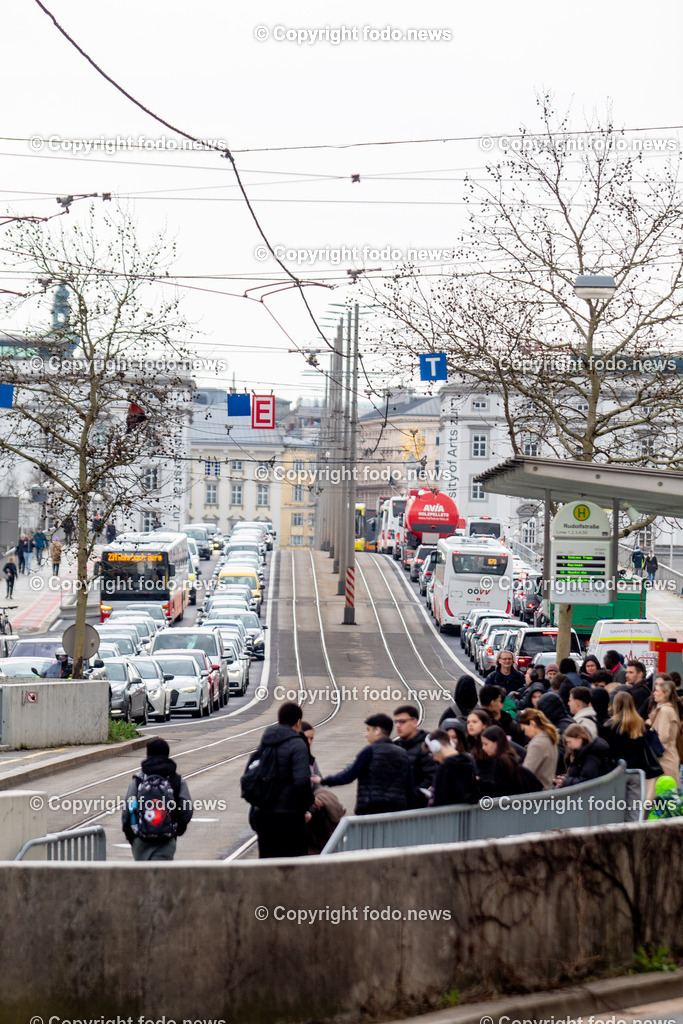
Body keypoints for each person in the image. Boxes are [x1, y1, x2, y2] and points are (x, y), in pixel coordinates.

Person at [247, 702, 313, 858]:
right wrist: (307, 806)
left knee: (268, 865)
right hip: (290, 818)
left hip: (264, 817)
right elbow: (302, 782)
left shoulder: (266, 741)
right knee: (294, 866)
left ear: (278, 721)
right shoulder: (298, 744)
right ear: (298, 722)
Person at [316, 713, 413, 816]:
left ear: (377, 731)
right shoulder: (403, 753)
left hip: (370, 810)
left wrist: (324, 781)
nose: (366, 735)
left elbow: (348, 775)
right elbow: (410, 786)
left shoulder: (369, 752)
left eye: (368, 730)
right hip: (397, 811)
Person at [122, 737, 193, 861]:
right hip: (166, 841)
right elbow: (186, 810)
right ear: (167, 754)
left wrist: (132, 837)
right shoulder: (176, 781)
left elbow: (127, 812)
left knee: (142, 877)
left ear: (148, 754)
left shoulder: (138, 780)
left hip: (140, 841)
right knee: (161, 877)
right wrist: (176, 830)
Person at [477, 725, 540, 797]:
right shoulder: (509, 758)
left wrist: (480, 783)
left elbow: (499, 789)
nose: (483, 748)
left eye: (486, 744)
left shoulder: (501, 761)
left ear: (496, 743)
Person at [645, 675, 681, 800]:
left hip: (664, 759)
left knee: (663, 796)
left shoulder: (664, 711)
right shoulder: (670, 709)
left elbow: (663, 737)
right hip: (669, 756)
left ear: (665, 694)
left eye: (657, 691)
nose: (654, 693)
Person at [392, 704, 436, 807]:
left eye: (402, 721)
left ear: (414, 722)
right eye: (396, 722)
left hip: (418, 808)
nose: (398, 725)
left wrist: (411, 795)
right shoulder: (394, 746)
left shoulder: (427, 745)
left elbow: (431, 777)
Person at [425, 729, 478, 806]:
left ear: (435, 746)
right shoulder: (468, 761)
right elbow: (474, 796)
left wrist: (433, 795)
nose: (434, 758)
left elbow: (440, 800)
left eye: (432, 753)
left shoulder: (444, 767)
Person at [517, 709, 560, 790]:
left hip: (537, 794)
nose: (525, 733)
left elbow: (526, 773)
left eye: (524, 729)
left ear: (532, 724)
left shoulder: (536, 744)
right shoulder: (550, 738)